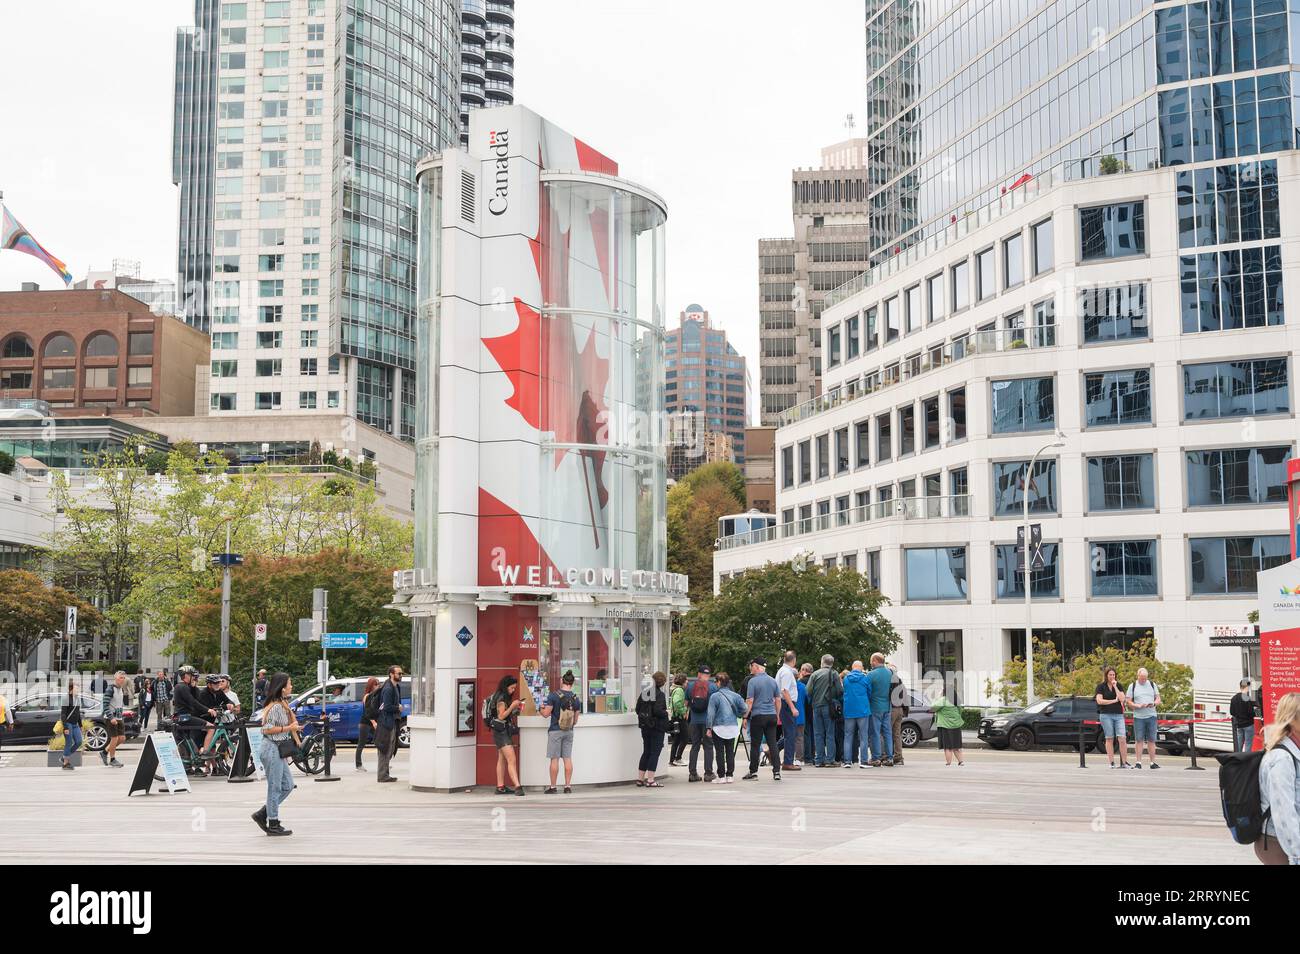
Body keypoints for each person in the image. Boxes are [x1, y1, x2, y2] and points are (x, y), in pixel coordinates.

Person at [252, 672, 299, 837]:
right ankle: (273, 822)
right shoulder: (276, 706)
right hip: (271, 748)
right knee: (275, 787)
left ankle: (263, 813)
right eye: (289, 683)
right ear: (282, 687)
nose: (291, 686)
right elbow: (266, 729)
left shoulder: (282, 704)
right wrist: (289, 728)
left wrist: (292, 728)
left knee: (287, 784)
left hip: (277, 748)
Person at [1258, 691, 1300, 865]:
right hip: (1279, 844)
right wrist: (1296, 856)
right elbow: (1283, 813)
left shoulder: (1294, 752)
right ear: (1292, 719)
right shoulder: (1281, 759)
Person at [742, 657, 781, 781]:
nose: (751, 668)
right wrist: (777, 714)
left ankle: (753, 772)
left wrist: (745, 716)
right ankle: (776, 772)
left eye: (752, 665)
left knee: (755, 745)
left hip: (758, 716)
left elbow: (750, 701)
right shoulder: (773, 680)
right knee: (773, 744)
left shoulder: (753, 682)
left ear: (757, 667)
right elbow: (778, 699)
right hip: (771, 716)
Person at [541, 671, 580, 793]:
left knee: (555, 759)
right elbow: (575, 720)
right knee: (567, 758)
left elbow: (546, 714)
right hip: (569, 731)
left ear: (562, 681)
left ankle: (553, 787)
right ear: (572, 683)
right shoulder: (575, 698)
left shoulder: (553, 696)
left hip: (555, 731)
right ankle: (567, 786)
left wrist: (540, 709)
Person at [707, 672, 747, 783]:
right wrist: (739, 714)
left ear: (719, 682)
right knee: (730, 751)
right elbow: (745, 708)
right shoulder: (735, 696)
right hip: (732, 727)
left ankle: (721, 776)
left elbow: (710, 714)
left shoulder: (714, 696)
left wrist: (709, 728)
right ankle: (730, 775)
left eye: (716, 681)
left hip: (718, 727)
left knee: (719, 752)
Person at [489, 674, 525, 795]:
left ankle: (500, 787)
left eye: (514, 688)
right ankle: (518, 787)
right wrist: (513, 706)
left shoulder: (500, 696)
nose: (513, 690)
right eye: (512, 688)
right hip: (501, 732)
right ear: (506, 687)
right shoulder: (502, 698)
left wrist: (516, 709)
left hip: (500, 731)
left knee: (502, 758)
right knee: (512, 759)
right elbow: (501, 716)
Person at [635, 671, 670, 787]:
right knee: (654, 753)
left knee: (646, 752)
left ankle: (640, 779)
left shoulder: (645, 692)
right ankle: (650, 780)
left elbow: (637, 709)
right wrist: (666, 713)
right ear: (662, 683)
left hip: (645, 727)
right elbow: (657, 711)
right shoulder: (659, 694)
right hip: (656, 727)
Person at [806, 655, 842, 767]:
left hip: (816, 707)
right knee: (830, 734)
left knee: (818, 734)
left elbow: (808, 691)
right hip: (829, 707)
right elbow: (840, 690)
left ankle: (819, 760)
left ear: (822, 662)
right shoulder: (834, 673)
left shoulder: (815, 674)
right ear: (832, 663)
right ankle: (829, 760)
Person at [172, 665, 217, 754]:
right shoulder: (181, 687)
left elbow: (197, 698)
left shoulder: (185, 687)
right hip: (184, 717)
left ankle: (193, 764)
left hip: (185, 717)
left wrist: (194, 687)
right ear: (186, 675)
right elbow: (193, 702)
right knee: (211, 727)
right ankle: (205, 752)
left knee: (190, 741)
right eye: (192, 675)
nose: (194, 678)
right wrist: (208, 710)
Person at [685, 665, 718, 782]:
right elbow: (716, 705)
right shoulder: (713, 687)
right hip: (707, 722)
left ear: (698, 674)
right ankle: (708, 773)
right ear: (708, 675)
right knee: (708, 746)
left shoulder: (690, 686)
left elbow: (686, 703)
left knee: (695, 746)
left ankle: (692, 774)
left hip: (694, 721)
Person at [1095, 666, 1130, 768]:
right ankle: (1111, 762)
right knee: (1109, 738)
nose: (1112, 676)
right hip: (1105, 715)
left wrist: (1115, 687)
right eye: (1110, 674)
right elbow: (1099, 701)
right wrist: (1113, 701)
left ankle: (1124, 763)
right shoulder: (1101, 687)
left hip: (1118, 715)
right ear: (1106, 675)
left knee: (1122, 738)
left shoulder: (1118, 685)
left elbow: (1122, 699)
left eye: (1114, 675)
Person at [1126, 667, 1161, 769]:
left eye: (1145, 678)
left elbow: (1158, 698)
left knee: (1151, 739)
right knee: (1139, 739)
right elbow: (1128, 701)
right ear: (1138, 676)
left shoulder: (1152, 684)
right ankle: (1138, 762)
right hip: (1139, 716)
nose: (1143, 680)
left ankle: (1152, 762)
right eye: (1142, 678)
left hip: (1151, 715)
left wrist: (1154, 703)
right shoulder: (1132, 686)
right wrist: (1136, 705)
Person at [375, 665, 404, 784]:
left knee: (390, 748)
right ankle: (382, 776)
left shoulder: (396, 687)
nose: (401, 675)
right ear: (391, 674)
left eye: (401, 673)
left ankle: (385, 774)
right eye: (399, 673)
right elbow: (386, 707)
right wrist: (398, 708)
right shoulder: (388, 688)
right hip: (386, 723)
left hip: (391, 721)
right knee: (384, 748)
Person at [775, 650, 801, 772]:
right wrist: (792, 707)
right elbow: (784, 690)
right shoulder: (786, 672)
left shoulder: (782, 670)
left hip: (785, 703)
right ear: (794, 660)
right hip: (787, 704)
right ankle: (788, 762)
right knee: (791, 734)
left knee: (788, 733)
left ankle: (772, 751)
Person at [841, 661, 871, 768]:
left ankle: (847, 761)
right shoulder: (865, 678)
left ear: (852, 667)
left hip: (849, 710)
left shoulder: (846, 679)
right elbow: (869, 692)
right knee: (863, 736)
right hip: (863, 709)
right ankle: (863, 761)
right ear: (861, 668)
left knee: (848, 736)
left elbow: (844, 691)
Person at [867, 653, 894, 767]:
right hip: (887, 707)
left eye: (871, 661)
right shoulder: (890, 673)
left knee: (875, 733)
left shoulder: (871, 675)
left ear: (875, 661)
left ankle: (876, 758)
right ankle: (889, 757)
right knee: (888, 733)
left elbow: (867, 691)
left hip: (875, 707)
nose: (870, 663)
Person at [100, 671, 130, 767]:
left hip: (119, 717)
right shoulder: (110, 689)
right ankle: (112, 759)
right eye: (121, 677)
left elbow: (119, 704)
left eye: (123, 678)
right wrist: (111, 717)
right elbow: (105, 705)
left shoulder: (121, 689)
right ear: (116, 678)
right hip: (111, 718)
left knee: (122, 738)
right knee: (114, 738)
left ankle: (104, 752)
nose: (123, 679)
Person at [931, 689, 965, 765]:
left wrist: (938, 697)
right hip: (956, 726)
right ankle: (961, 761)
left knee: (948, 746)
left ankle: (948, 763)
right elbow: (960, 711)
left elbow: (932, 708)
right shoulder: (956, 701)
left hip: (945, 726)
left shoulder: (943, 700)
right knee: (956, 746)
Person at [58, 679, 84, 771]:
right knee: (68, 743)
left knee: (79, 742)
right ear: (71, 688)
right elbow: (63, 714)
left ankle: (64, 757)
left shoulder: (77, 698)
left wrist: (80, 725)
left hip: (75, 724)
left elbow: (78, 713)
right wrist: (65, 727)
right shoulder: (65, 698)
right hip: (68, 724)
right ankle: (66, 763)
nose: (78, 689)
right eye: (77, 687)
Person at [356, 676, 380, 772]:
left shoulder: (376, 696)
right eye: (376, 684)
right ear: (371, 685)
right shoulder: (367, 696)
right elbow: (367, 711)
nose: (378, 686)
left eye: (378, 684)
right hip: (366, 722)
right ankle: (358, 764)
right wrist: (374, 722)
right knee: (361, 743)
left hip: (374, 722)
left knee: (379, 742)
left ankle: (382, 762)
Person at [1231, 678, 1262, 753]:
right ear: (1247, 687)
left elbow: (1232, 712)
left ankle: (1238, 760)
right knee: (1248, 744)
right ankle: (1246, 761)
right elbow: (1250, 713)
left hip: (1239, 725)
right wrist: (1256, 712)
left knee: (1239, 745)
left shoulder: (1233, 698)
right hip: (1248, 725)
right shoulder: (1247, 699)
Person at [888, 663, 908, 766]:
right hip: (900, 709)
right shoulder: (901, 682)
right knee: (897, 735)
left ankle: (888, 756)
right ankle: (899, 757)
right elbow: (905, 697)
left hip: (892, 709)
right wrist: (905, 711)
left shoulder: (891, 680)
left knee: (886, 733)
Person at [667, 673, 689, 766]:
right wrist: (684, 711)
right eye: (686, 680)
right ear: (683, 681)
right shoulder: (680, 690)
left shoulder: (674, 689)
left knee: (676, 739)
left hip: (675, 717)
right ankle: (678, 758)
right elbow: (677, 703)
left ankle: (672, 760)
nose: (687, 681)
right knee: (685, 738)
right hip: (680, 718)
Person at [796, 663, 812, 766]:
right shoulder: (814, 680)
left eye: (801, 670)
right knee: (812, 734)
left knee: (803, 735)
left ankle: (806, 757)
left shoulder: (801, 683)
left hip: (803, 711)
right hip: (813, 709)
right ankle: (811, 756)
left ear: (804, 671)